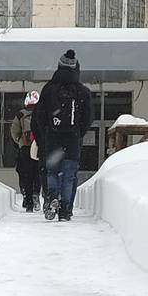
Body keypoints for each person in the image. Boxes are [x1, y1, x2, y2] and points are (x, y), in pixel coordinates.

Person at [32, 49, 93, 222]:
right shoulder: (82, 91)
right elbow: (88, 117)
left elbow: (40, 115)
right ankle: (65, 210)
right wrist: (78, 132)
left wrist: (45, 133)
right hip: (72, 140)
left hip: (53, 138)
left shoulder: (49, 89)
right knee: (69, 175)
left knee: (52, 172)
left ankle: (52, 198)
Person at [10, 91, 41, 211]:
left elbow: (14, 131)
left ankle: (28, 201)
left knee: (26, 174)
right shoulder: (42, 113)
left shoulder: (21, 114)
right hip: (38, 147)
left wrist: (20, 142)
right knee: (37, 173)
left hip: (25, 147)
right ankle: (36, 195)